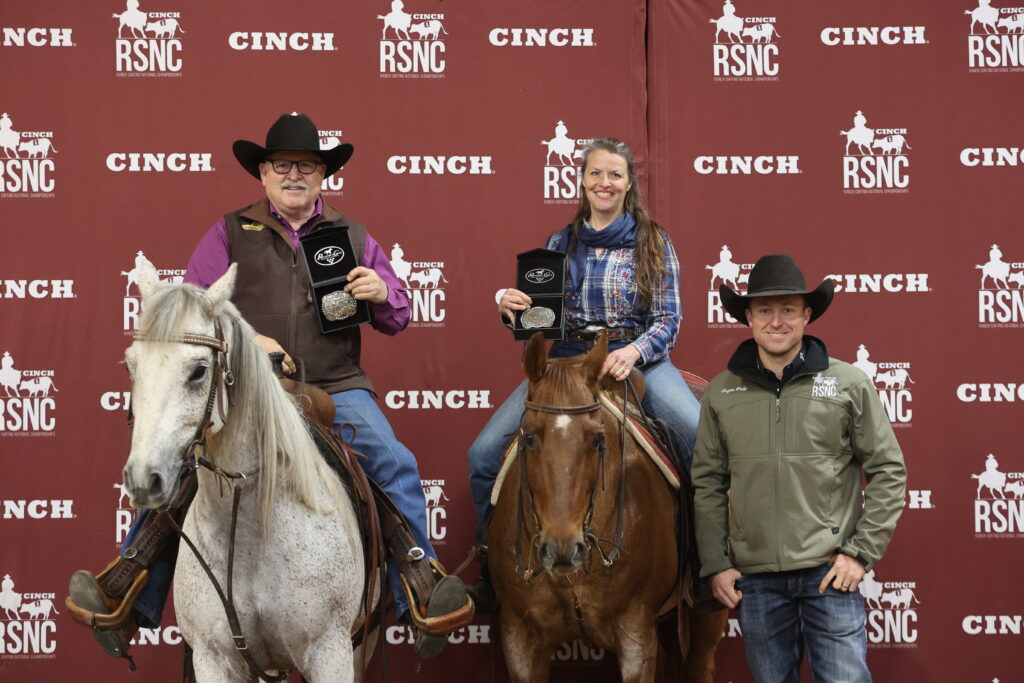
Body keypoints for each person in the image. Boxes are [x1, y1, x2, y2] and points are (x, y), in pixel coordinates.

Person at [68, 113, 470, 663]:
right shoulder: (230, 230)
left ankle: (420, 589)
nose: (294, 174)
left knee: (392, 461)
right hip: (250, 383)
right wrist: (253, 341)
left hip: (335, 383)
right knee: (181, 459)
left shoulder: (351, 235)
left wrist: (383, 291)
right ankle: (127, 586)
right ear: (263, 172)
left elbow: (397, 317)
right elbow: (194, 308)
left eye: (306, 165)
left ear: (323, 174)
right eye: (282, 165)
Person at [468, 137, 700, 540]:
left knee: (700, 439)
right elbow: (544, 322)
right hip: (567, 359)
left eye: (615, 174)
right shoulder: (560, 242)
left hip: (636, 357)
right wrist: (513, 309)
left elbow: (668, 320)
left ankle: (704, 563)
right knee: (483, 454)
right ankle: (491, 561)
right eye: (596, 173)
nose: (604, 182)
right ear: (582, 180)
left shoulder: (654, 242)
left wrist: (633, 351)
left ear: (629, 184)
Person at [691, 254, 907, 683]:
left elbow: (888, 470)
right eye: (766, 310)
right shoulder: (720, 393)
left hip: (831, 576)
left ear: (807, 315)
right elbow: (708, 483)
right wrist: (716, 564)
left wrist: (860, 554)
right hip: (758, 583)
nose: (777, 321)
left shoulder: (848, 384)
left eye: (788, 309)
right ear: (747, 317)